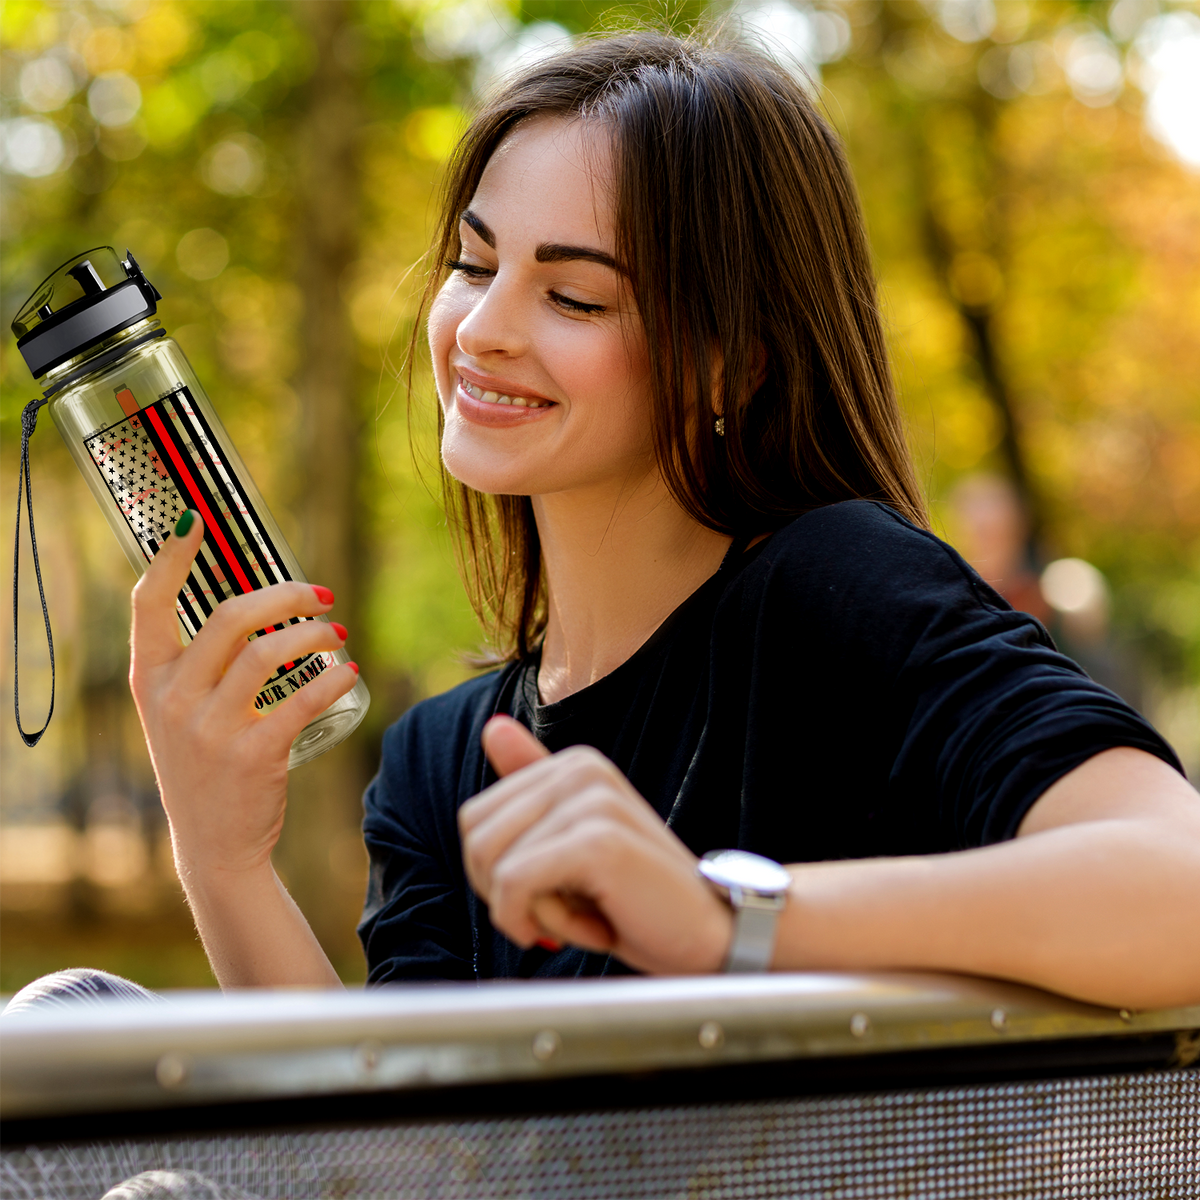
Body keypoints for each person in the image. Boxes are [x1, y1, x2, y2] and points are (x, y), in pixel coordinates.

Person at [128, 31, 1200, 1010]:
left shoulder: (835, 593)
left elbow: (1178, 889)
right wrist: (221, 862)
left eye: (575, 297)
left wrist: (724, 919)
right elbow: (403, 1160)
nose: (482, 329)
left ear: (732, 360)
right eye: (472, 264)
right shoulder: (439, 763)